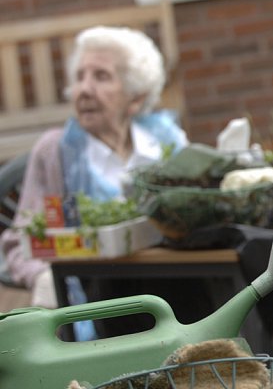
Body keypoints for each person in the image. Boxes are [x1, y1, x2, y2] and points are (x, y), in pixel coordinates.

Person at [0, 25, 188, 309]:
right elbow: (23, 239)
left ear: (135, 98)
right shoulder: (57, 152)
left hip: (176, 288)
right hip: (94, 302)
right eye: (79, 77)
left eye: (101, 76)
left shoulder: (165, 142)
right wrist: (41, 276)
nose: (84, 90)